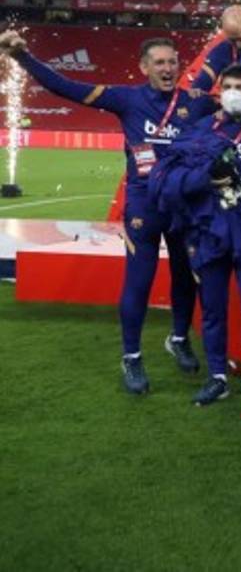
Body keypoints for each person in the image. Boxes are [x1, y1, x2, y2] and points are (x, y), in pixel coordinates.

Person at [1, 29, 213, 393]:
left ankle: (178, 338)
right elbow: (64, 87)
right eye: (159, 62)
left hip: (182, 205)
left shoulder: (197, 102)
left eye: (172, 62)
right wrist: (23, 57)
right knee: (139, 281)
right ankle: (131, 357)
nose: (167, 68)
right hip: (144, 205)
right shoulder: (126, 98)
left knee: (183, 276)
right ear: (144, 67)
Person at [152, 65, 241, 404]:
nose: (233, 92)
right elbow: (167, 183)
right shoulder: (198, 131)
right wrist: (206, 178)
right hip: (209, 229)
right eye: (227, 86)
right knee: (212, 307)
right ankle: (217, 377)